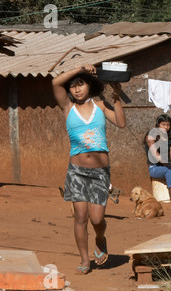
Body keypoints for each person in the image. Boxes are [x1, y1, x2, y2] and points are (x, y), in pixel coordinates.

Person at [52, 64, 126, 274]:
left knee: (97, 219)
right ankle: (85, 260)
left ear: (89, 85)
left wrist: (117, 98)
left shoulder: (100, 105)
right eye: (73, 86)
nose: (76, 89)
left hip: (100, 173)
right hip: (77, 171)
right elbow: (55, 82)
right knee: (80, 217)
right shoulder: (67, 107)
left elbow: (121, 123)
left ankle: (100, 238)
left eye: (81, 84)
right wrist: (78, 69)